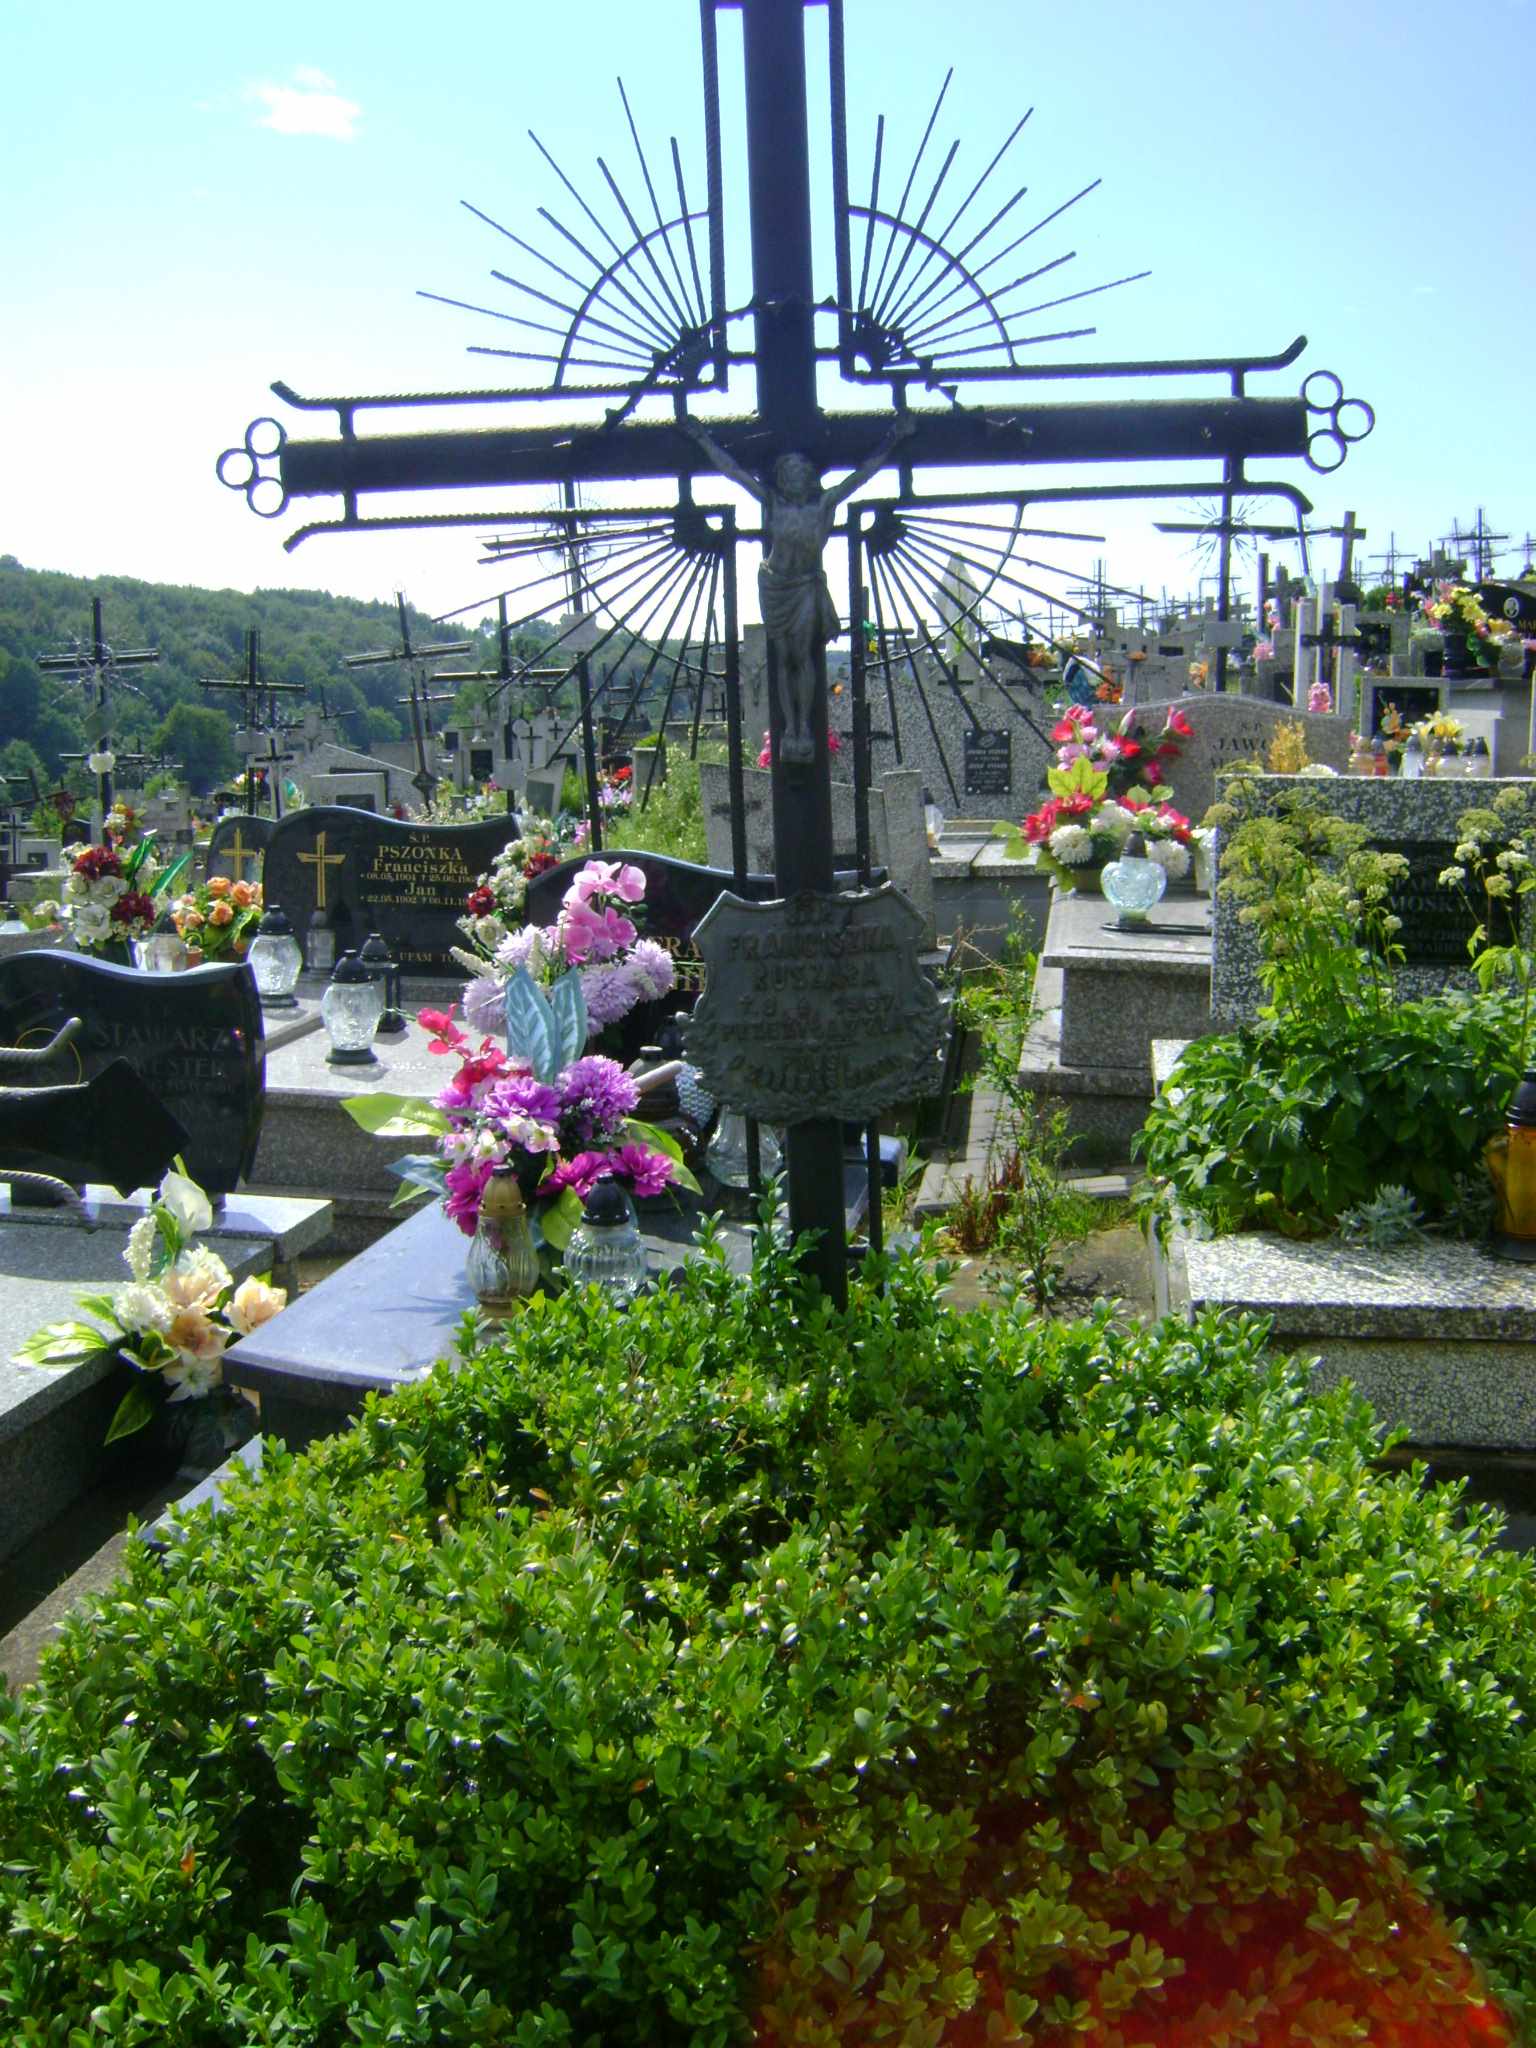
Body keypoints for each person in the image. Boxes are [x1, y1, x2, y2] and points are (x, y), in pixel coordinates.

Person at [679, 416, 915, 762]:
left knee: (802, 656)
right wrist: (702, 439)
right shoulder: (773, 503)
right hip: (775, 584)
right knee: (782, 658)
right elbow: (734, 472)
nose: (794, 479)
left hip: (805, 585)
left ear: (809, 478)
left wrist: (893, 438)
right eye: (788, 474)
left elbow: (862, 475)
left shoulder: (824, 505)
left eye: (799, 473)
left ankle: (802, 725)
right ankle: (788, 727)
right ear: (781, 479)